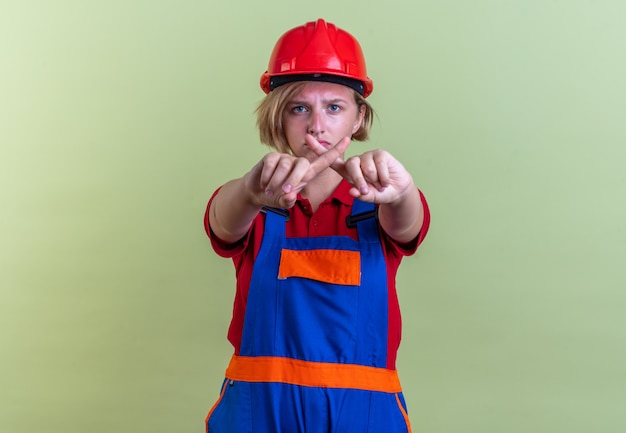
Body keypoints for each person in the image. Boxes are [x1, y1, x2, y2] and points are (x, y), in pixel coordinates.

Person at [204, 18, 430, 433]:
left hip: (362, 417)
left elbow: (407, 224)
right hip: (260, 413)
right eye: (299, 107)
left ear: (359, 118)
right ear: (278, 115)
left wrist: (402, 190)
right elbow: (222, 220)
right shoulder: (255, 203)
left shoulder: (379, 204)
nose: (316, 125)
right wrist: (253, 193)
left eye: (334, 107)